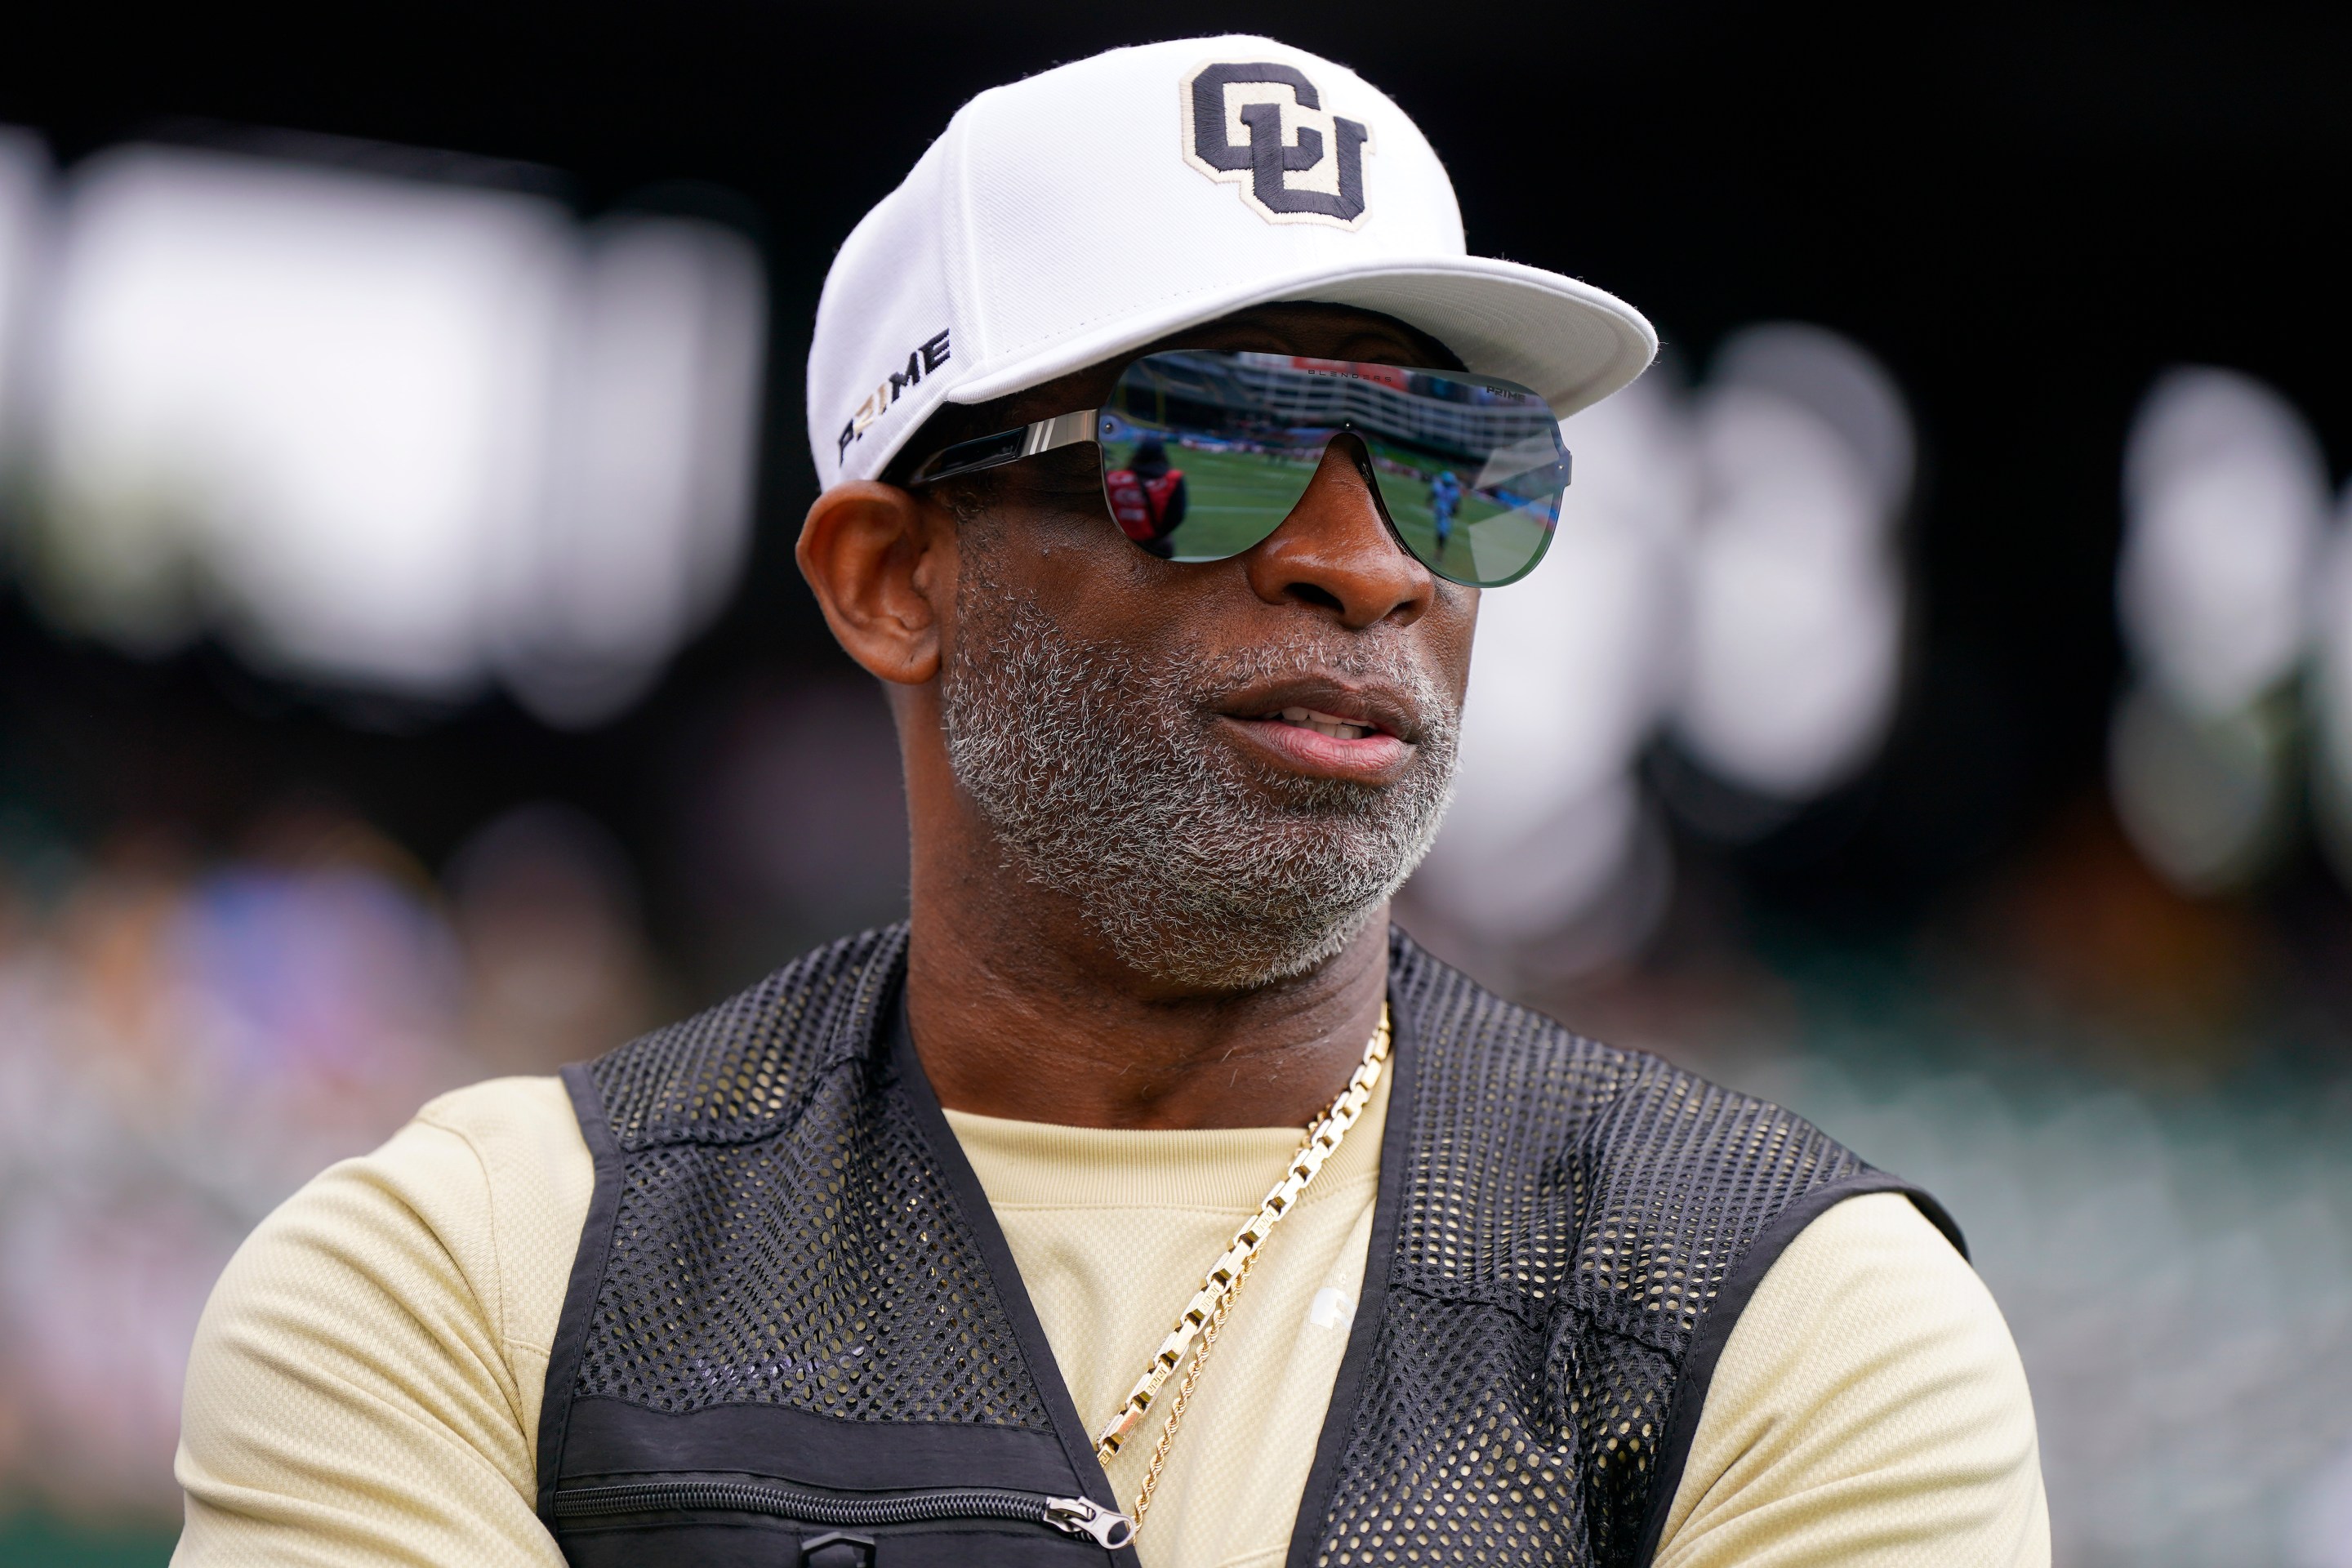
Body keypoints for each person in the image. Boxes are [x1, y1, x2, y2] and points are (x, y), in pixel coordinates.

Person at [172, 35, 2047, 1568]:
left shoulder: (1790, 1313)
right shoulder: (462, 1279)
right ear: (892, 577)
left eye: (1453, 468)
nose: (1368, 564)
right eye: (1211, 444)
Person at [1105, 434, 1188, 556]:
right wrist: (1157, 535)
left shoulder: (1112, 478)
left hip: (1118, 547)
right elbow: (1176, 516)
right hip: (1153, 547)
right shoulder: (1172, 480)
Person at [1428, 467, 1462, 555]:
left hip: (1444, 513)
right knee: (1442, 533)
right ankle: (1439, 552)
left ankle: (1439, 552)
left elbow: (1432, 496)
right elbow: (1456, 505)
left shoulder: (1441, 487)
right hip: (1443, 513)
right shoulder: (1452, 490)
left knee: (1442, 533)